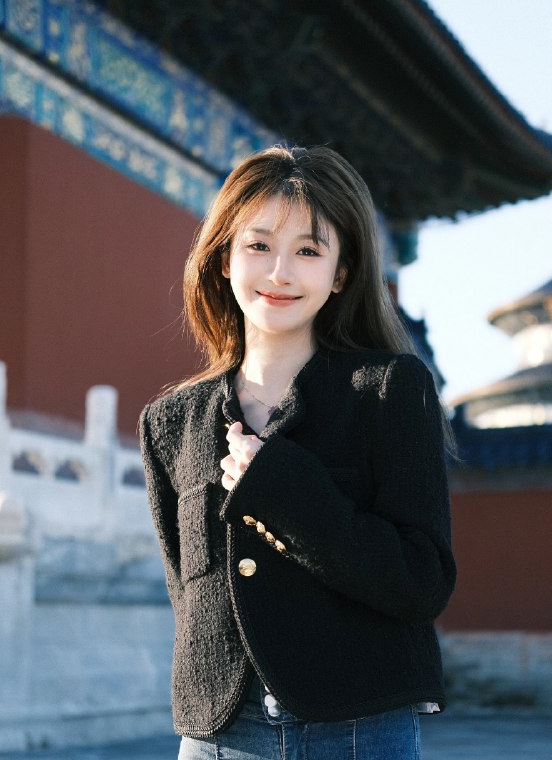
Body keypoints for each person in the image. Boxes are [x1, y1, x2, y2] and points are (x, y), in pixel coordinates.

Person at [139, 145, 456, 760]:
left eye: (308, 251)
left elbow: (422, 582)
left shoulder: (390, 390)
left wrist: (283, 490)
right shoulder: (170, 424)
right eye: (258, 246)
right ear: (223, 260)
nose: (280, 272)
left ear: (340, 273)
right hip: (218, 736)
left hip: (358, 729)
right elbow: (188, 594)